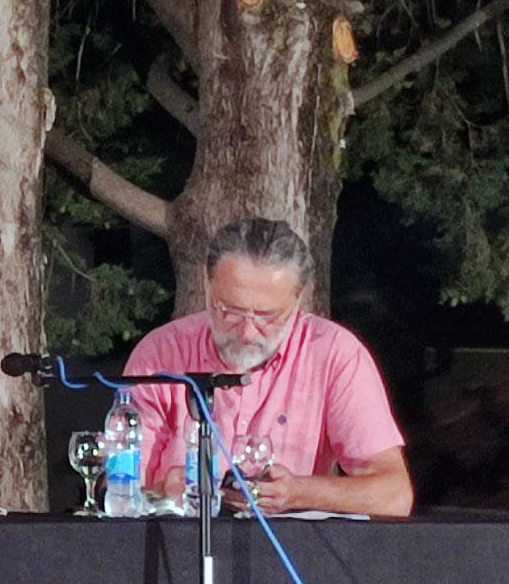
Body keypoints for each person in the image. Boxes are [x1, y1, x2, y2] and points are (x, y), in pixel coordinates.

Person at [124, 217, 414, 516]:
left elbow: (394, 495)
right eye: (230, 310)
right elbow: (118, 492)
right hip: (176, 538)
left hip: (289, 542)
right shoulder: (160, 354)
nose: (247, 333)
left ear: (297, 299)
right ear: (206, 284)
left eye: (267, 316)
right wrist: (163, 492)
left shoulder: (335, 355)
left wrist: (298, 492)